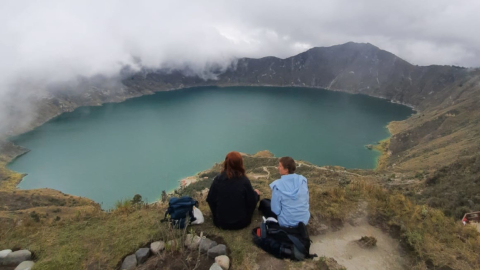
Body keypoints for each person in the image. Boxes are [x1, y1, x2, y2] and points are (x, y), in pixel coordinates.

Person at [207, 151, 261, 230]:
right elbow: (251, 201)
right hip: (242, 222)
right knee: (256, 193)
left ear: (226, 163)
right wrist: (256, 195)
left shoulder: (218, 179)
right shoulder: (244, 180)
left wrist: (216, 215)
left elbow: (210, 199)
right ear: (240, 164)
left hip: (220, 222)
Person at [259, 156, 310, 227]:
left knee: (265, 203)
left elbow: (276, 210)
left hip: (286, 223)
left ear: (286, 170)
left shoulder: (277, 186)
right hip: (304, 220)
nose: (278, 168)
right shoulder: (302, 180)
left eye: (280, 166)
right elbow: (306, 200)